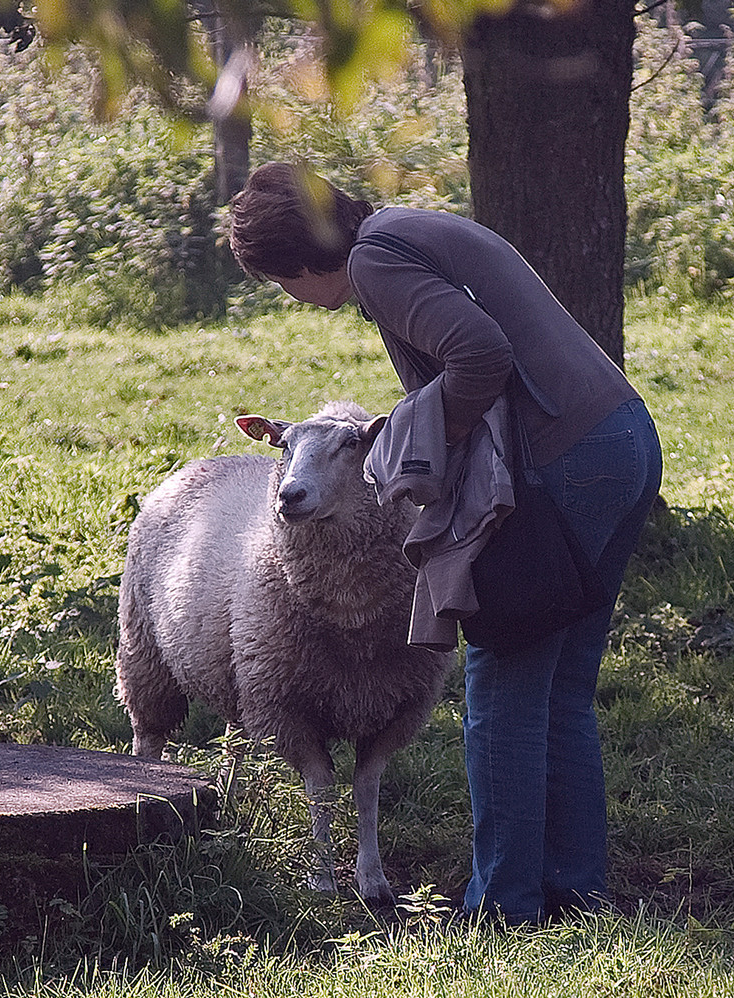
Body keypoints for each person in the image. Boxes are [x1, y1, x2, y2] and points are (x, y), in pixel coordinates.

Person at [227, 161, 662, 925]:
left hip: (568, 457)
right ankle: (574, 893)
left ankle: (503, 908)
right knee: (559, 690)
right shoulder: (403, 231)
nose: (288, 295)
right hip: (619, 441)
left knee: (502, 682)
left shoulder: (376, 259)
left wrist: (432, 438)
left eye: (277, 280)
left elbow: (481, 356)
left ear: (297, 262)